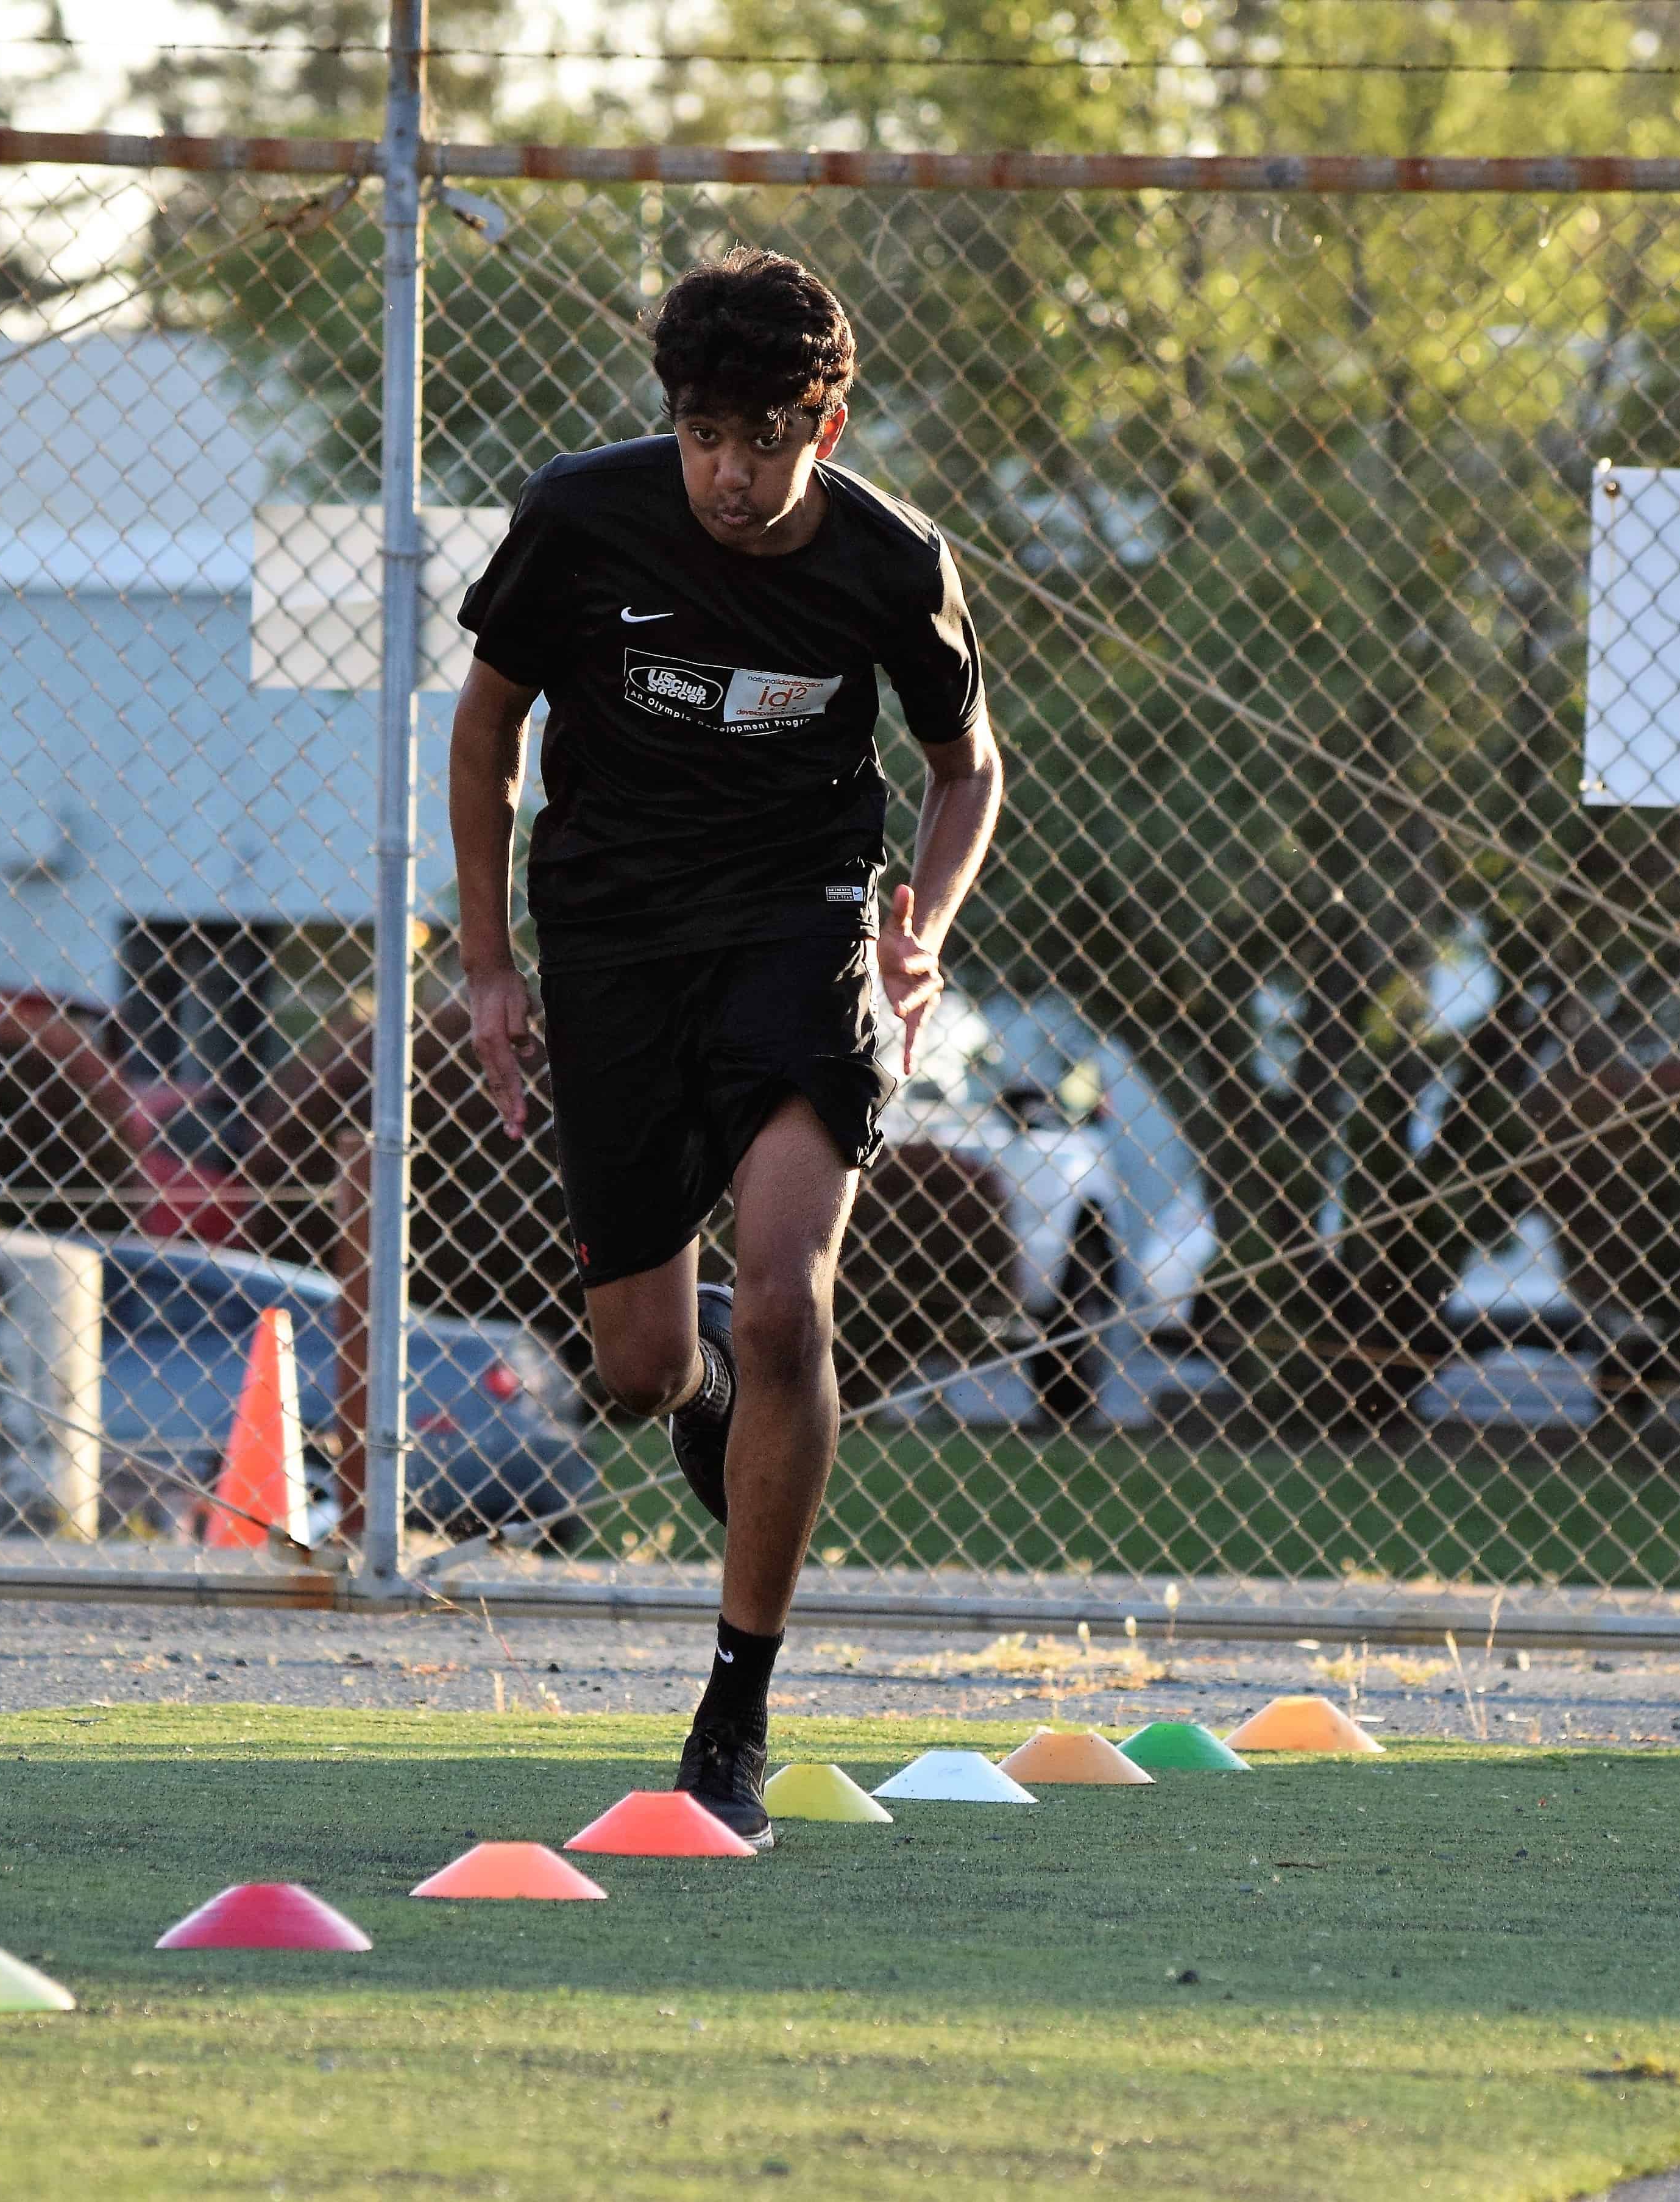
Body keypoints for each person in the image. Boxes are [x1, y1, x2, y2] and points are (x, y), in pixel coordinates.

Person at [448, 246, 1003, 1845]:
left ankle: (731, 1714)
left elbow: (966, 766)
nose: (731, 472)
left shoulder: (892, 562)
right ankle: (702, 1402)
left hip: (800, 923)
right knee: (634, 1368)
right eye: (705, 434)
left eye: (765, 438)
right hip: (612, 940)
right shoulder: (581, 518)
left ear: (826, 425)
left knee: (782, 1298)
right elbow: (485, 730)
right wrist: (490, 967)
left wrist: (925, 927)